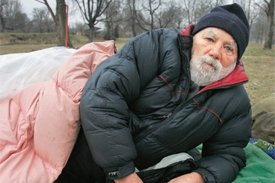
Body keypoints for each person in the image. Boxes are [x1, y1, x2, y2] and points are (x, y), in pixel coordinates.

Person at [55, 3, 251, 183]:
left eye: (228, 48)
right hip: (76, 156)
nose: (215, 52)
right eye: (209, 39)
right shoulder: (157, 45)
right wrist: (123, 172)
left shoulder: (236, 101)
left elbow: (229, 153)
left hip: (146, 168)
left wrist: (199, 177)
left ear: (235, 60)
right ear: (193, 37)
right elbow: (103, 96)